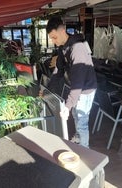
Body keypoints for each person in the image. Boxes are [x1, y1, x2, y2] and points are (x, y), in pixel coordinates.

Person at [46, 16, 97, 148]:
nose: (53, 41)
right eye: (51, 38)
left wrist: (67, 107)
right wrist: (46, 90)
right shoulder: (63, 48)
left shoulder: (77, 48)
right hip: (76, 87)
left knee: (82, 122)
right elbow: (58, 71)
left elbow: (78, 84)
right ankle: (78, 138)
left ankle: (85, 151)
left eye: (54, 37)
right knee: (75, 115)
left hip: (85, 89)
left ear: (63, 31)